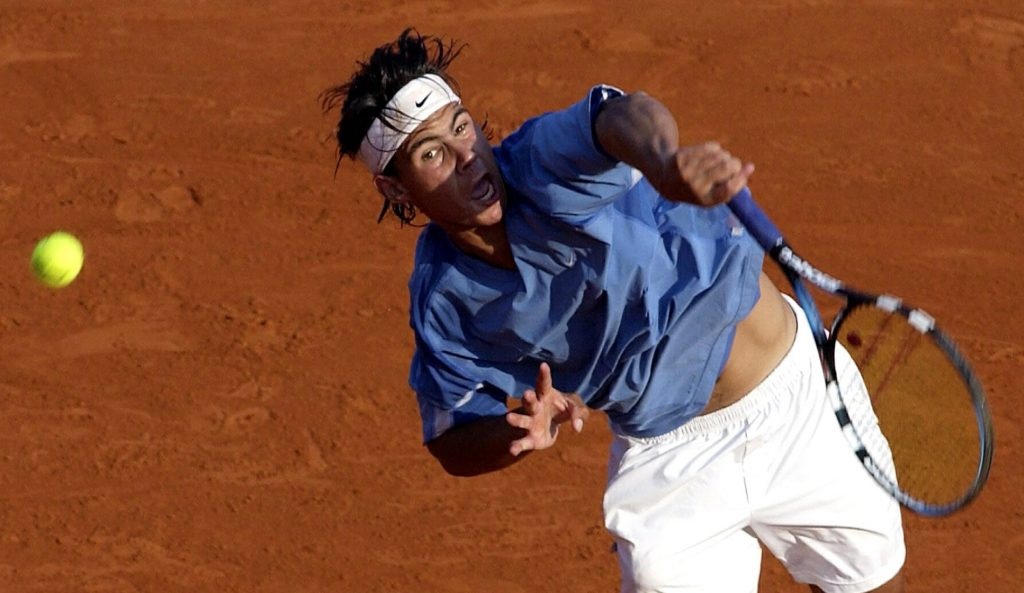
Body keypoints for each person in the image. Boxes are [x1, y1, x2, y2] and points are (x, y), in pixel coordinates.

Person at [321, 28, 906, 593]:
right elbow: (451, 438)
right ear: (396, 190)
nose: (466, 156)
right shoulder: (444, 300)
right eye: (432, 153)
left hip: (800, 404)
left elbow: (619, 117)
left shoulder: (541, 161)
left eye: (461, 127)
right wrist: (515, 431)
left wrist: (665, 165)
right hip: (670, 463)